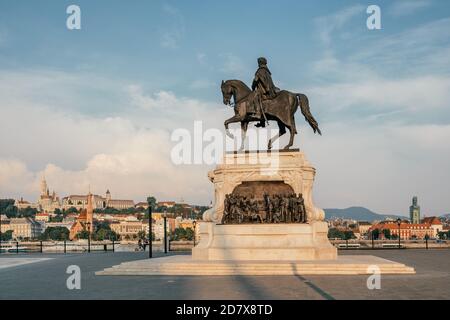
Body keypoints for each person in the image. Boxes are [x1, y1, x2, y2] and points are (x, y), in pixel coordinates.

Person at [250, 57, 278, 128]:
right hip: (271, 90)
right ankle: (262, 122)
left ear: (259, 63)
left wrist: (253, 87)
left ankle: (258, 113)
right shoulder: (267, 71)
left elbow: (256, 80)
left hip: (264, 91)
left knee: (254, 96)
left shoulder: (259, 71)